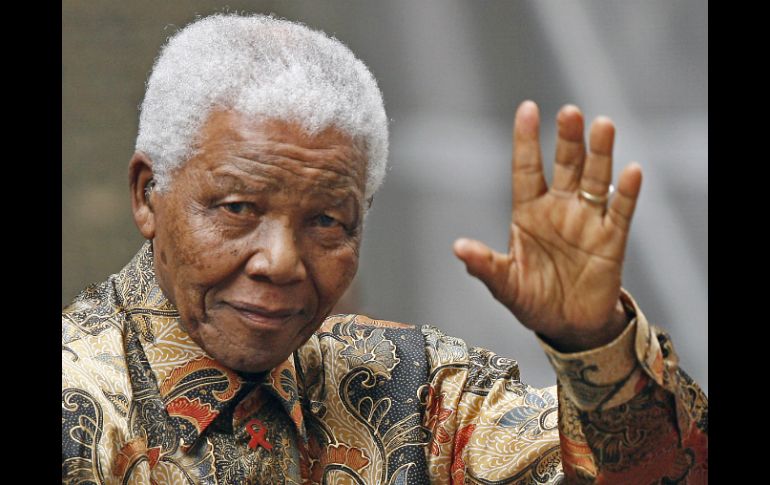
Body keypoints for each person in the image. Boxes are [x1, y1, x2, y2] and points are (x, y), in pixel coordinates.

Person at [62, 14, 707, 484]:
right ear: (148, 194)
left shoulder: (413, 393)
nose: (281, 262)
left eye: (326, 222)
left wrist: (594, 341)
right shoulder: (79, 408)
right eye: (238, 209)